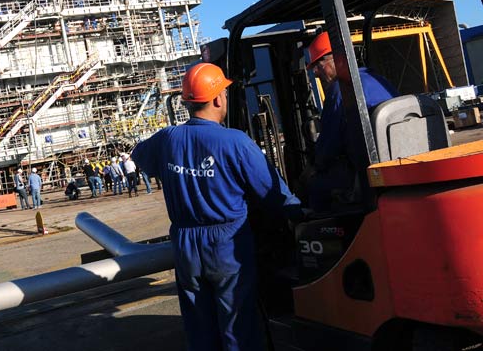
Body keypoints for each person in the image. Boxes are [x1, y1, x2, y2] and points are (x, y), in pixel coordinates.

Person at [132, 63, 302, 351]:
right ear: (218, 98)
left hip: (186, 244)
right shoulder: (235, 142)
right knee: (237, 325)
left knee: (199, 326)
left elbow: (140, 157)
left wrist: (178, 172)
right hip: (226, 244)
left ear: (187, 102)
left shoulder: (167, 139)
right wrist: (299, 213)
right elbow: (272, 193)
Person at [305, 32, 398, 211]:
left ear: (335, 58)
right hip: (392, 164)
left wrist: (314, 166)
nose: (316, 73)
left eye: (318, 64)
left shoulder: (342, 91)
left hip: (365, 172)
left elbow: (328, 147)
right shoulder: (377, 79)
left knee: (314, 185)